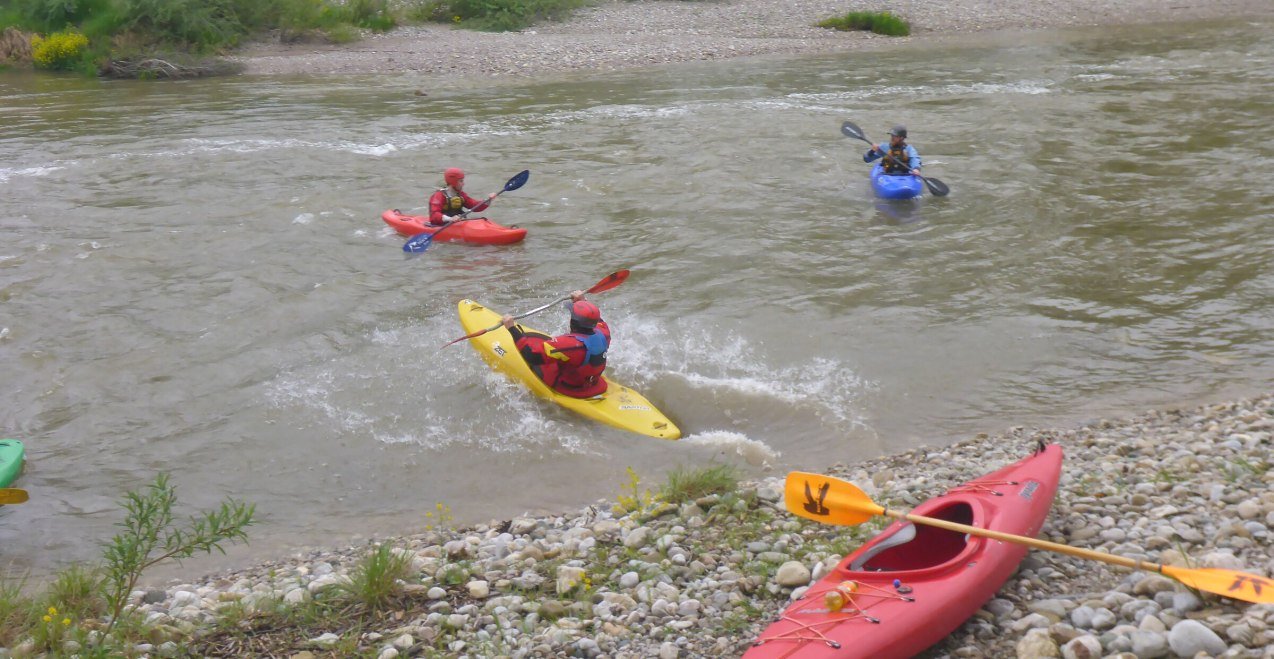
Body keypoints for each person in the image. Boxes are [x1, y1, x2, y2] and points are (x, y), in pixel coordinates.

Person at [501, 292, 611, 398]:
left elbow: (531, 356)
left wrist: (512, 328)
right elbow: (597, 320)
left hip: (571, 389)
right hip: (595, 384)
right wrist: (583, 302)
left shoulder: (568, 345)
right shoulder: (604, 333)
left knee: (534, 355)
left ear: (573, 322)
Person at [428, 168, 498, 226]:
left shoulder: (461, 195)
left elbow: (474, 206)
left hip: (458, 224)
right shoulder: (439, 196)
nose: (463, 184)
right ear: (453, 182)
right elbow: (434, 215)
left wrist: (488, 200)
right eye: (461, 181)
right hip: (442, 225)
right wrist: (450, 219)